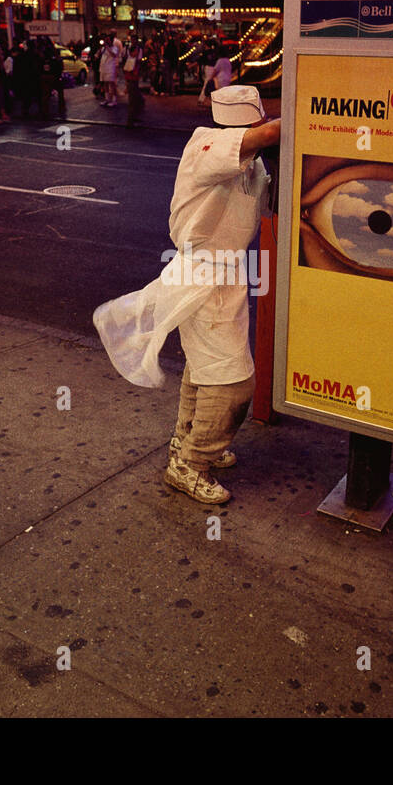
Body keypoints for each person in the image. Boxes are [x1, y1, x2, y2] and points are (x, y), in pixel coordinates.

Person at [93, 86, 280, 504]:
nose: (259, 128)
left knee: (203, 369)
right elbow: (267, 135)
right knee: (233, 382)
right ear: (237, 126)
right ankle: (192, 465)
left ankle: (186, 443)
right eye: (253, 122)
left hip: (225, 274)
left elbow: (268, 189)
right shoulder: (205, 144)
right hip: (202, 275)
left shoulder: (251, 164)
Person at [122, 36, 144, 127]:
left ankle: (134, 117)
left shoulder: (129, 49)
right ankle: (130, 121)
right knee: (133, 99)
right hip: (132, 76)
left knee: (136, 98)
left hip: (132, 76)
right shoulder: (135, 50)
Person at [98, 33, 120, 107]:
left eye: (108, 40)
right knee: (105, 84)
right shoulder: (103, 48)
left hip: (110, 68)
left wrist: (107, 47)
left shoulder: (114, 47)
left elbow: (114, 55)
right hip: (103, 67)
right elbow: (98, 54)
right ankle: (107, 99)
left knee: (112, 84)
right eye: (106, 40)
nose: (106, 41)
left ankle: (114, 100)